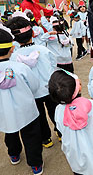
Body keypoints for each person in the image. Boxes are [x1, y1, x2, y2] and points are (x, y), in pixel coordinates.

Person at [7, 16, 60, 147]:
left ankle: (46, 139)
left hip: (30, 93)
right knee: (55, 111)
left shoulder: (14, 57)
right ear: (32, 33)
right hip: (49, 88)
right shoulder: (44, 50)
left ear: (14, 38)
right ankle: (60, 132)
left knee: (39, 115)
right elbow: (54, 65)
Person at [48, 70, 93, 175]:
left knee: (79, 171)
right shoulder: (92, 106)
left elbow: (60, 128)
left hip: (74, 154)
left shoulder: (59, 110)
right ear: (79, 87)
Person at [0, 24, 44, 175]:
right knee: (31, 136)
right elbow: (34, 85)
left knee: (10, 132)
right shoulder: (20, 67)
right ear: (12, 48)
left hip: (4, 112)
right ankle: (35, 164)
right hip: (26, 110)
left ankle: (14, 154)